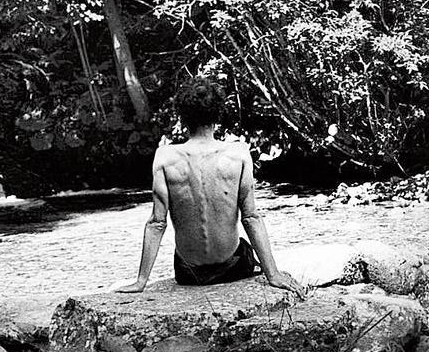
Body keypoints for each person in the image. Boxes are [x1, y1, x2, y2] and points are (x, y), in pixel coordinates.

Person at [115, 77, 305, 297]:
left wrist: (141, 281)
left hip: (189, 273)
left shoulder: (164, 158)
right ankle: (262, 268)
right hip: (233, 267)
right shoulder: (239, 154)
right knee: (243, 246)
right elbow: (250, 217)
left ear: (182, 117)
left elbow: (157, 222)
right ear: (218, 114)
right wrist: (273, 274)